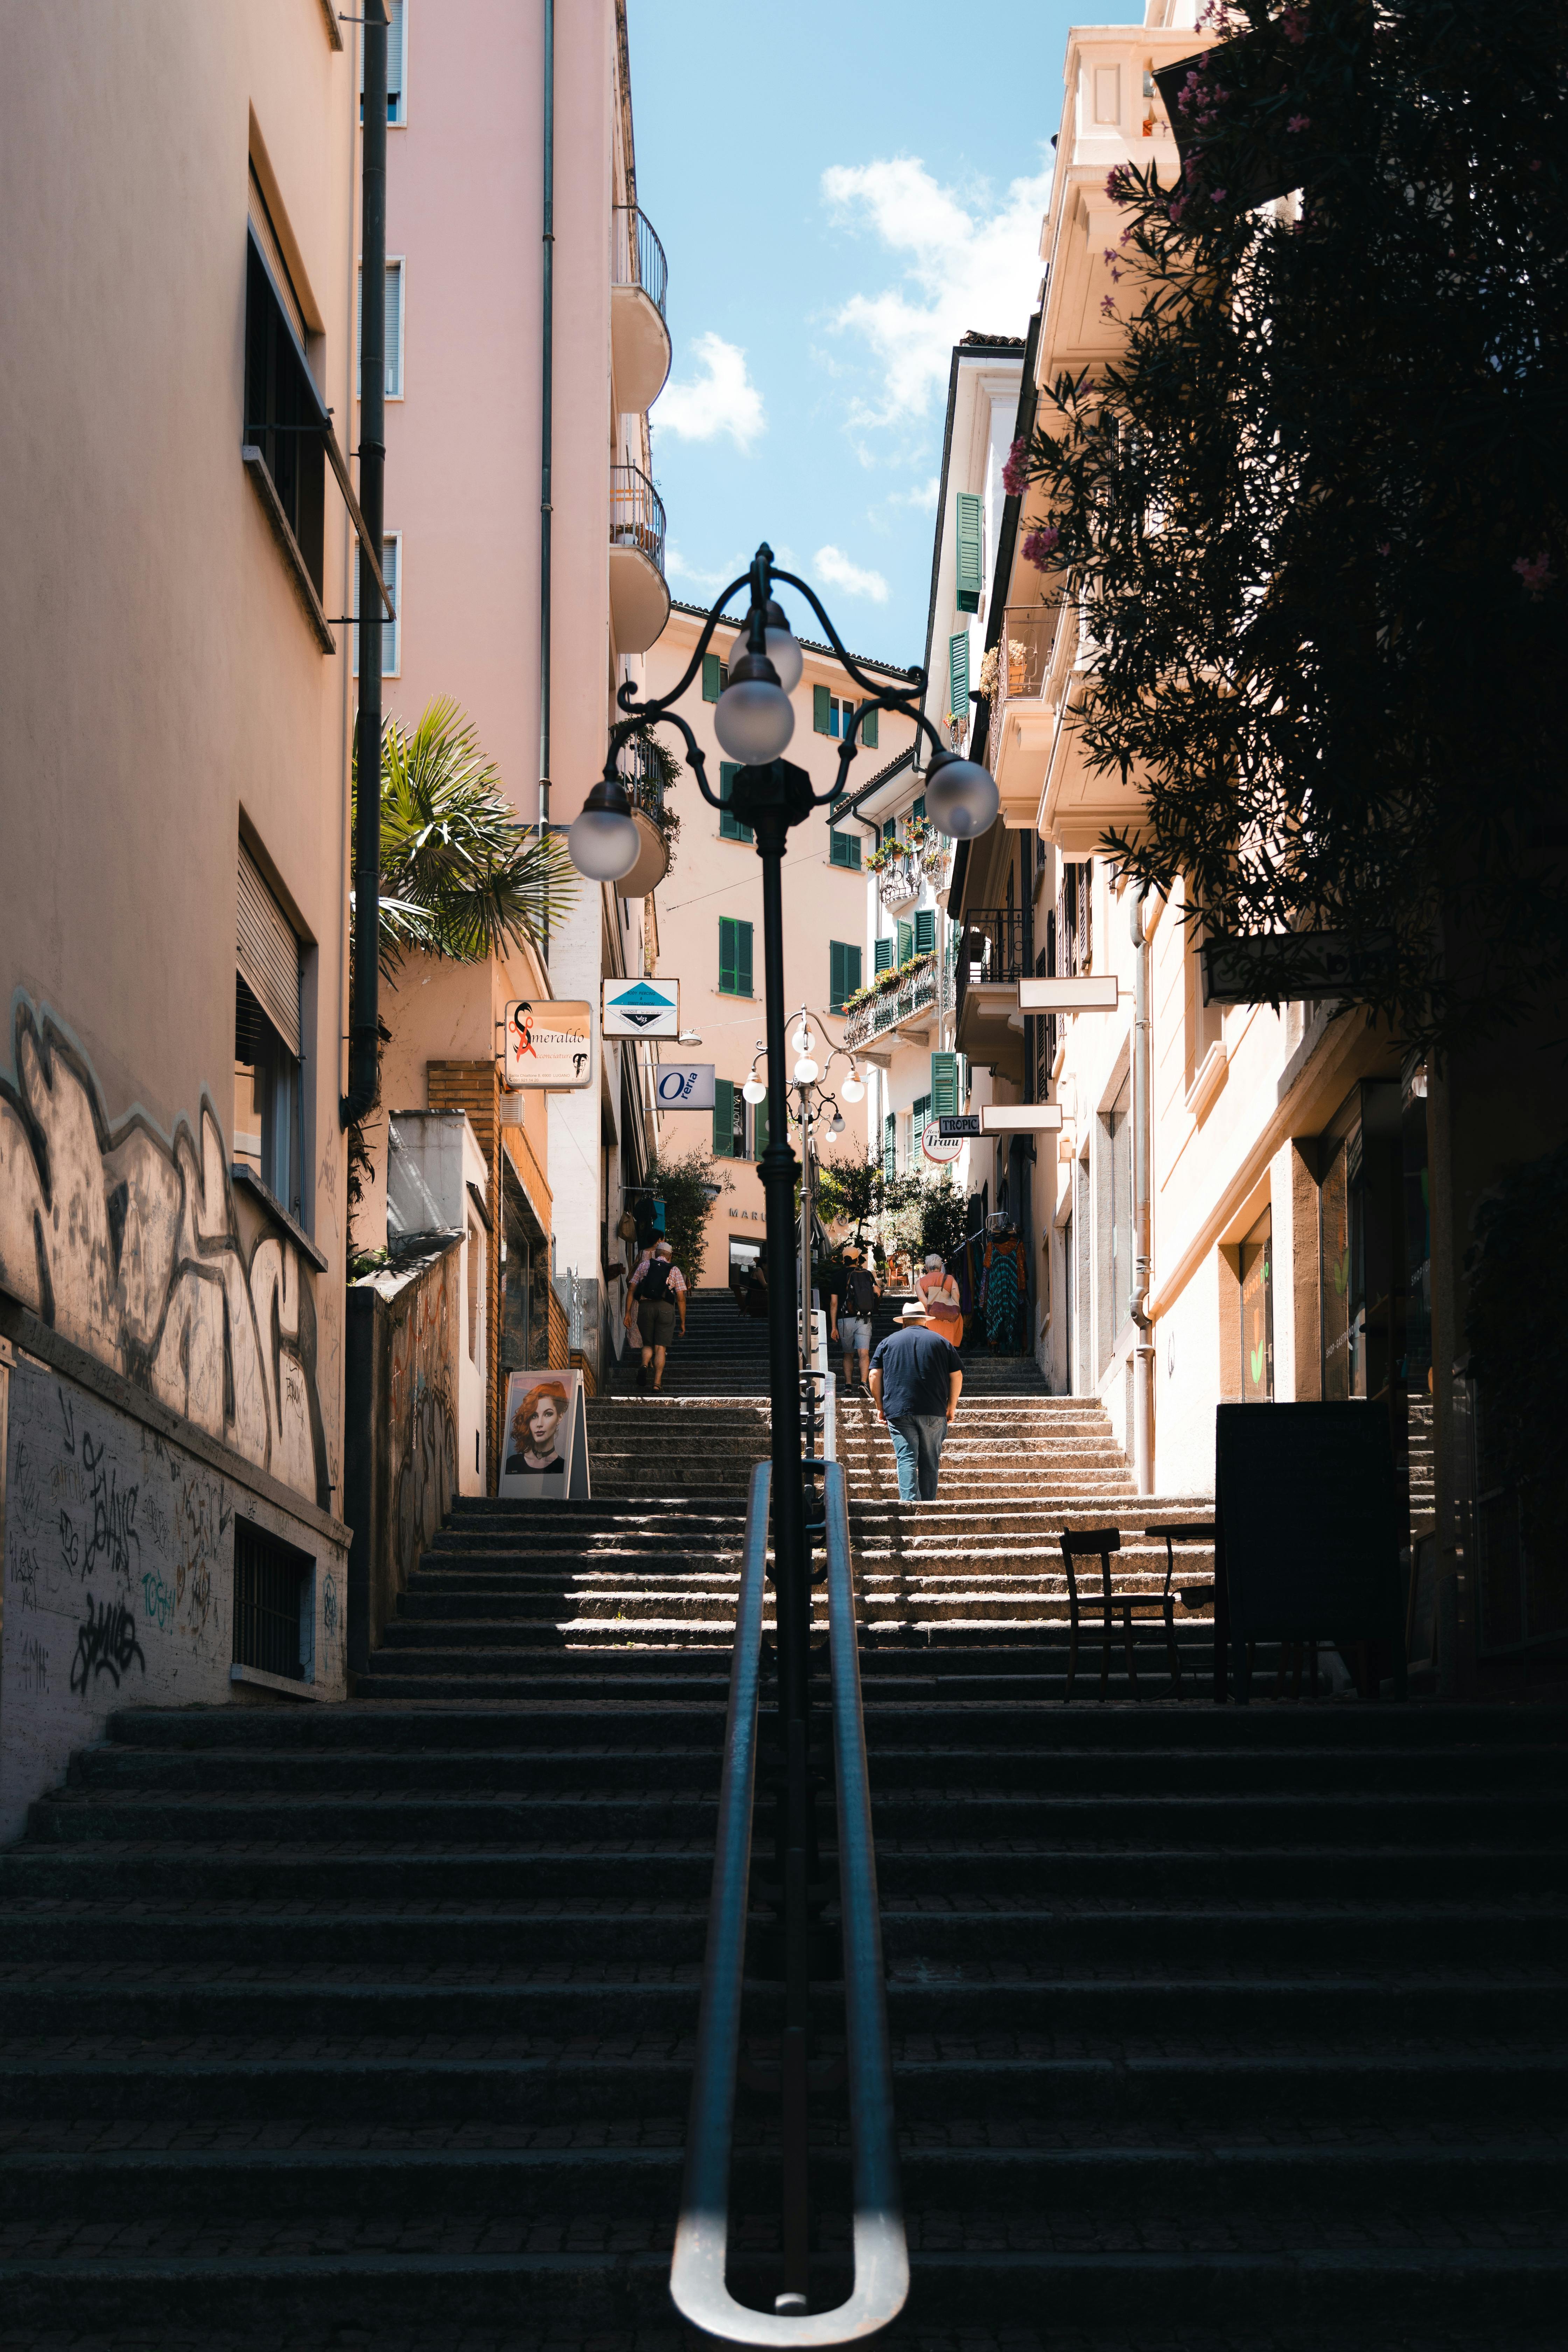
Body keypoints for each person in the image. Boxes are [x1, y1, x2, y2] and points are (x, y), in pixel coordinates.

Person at [868, 1297, 964, 1503]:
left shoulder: (887, 1343)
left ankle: (911, 1506)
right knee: (930, 1461)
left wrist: (880, 1407)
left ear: (904, 1322)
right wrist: (952, 1407)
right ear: (925, 1321)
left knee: (906, 1459)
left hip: (899, 1410)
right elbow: (957, 1375)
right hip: (934, 1409)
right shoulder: (942, 1342)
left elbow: (874, 1375)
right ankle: (928, 1506)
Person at [627, 1238, 686, 1390]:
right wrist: (683, 1322)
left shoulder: (644, 1266)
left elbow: (632, 1290)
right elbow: (681, 1298)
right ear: (670, 1256)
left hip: (645, 1308)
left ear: (656, 1254)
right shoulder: (675, 1270)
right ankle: (657, 1384)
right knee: (660, 1348)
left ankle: (645, 1364)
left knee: (648, 1344)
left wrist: (628, 1313)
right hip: (665, 1308)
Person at [831, 1242, 881, 1391]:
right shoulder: (867, 1274)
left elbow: (834, 1304)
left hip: (845, 1320)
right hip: (864, 1319)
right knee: (864, 1353)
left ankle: (848, 1385)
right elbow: (877, 1293)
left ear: (844, 1260)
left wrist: (834, 1327)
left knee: (848, 1354)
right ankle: (863, 1383)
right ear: (857, 1259)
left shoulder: (837, 1277)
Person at [505, 1380, 569, 1476]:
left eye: (548, 1414)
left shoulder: (564, 1468)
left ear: (560, 1418)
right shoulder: (512, 1464)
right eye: (534, 1416)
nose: (539, 1424)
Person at [916, 1251, 963, 1347]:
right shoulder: (950, 1279)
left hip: (930, 1319)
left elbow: (923, 1300)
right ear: (941, 1267)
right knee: (948, 1348)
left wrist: (936, 1313)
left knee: (931, 1348)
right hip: (949, 1319)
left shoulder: (920, 1282)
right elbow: (957, 1296)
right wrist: (945, 1313)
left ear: (927, 1268)